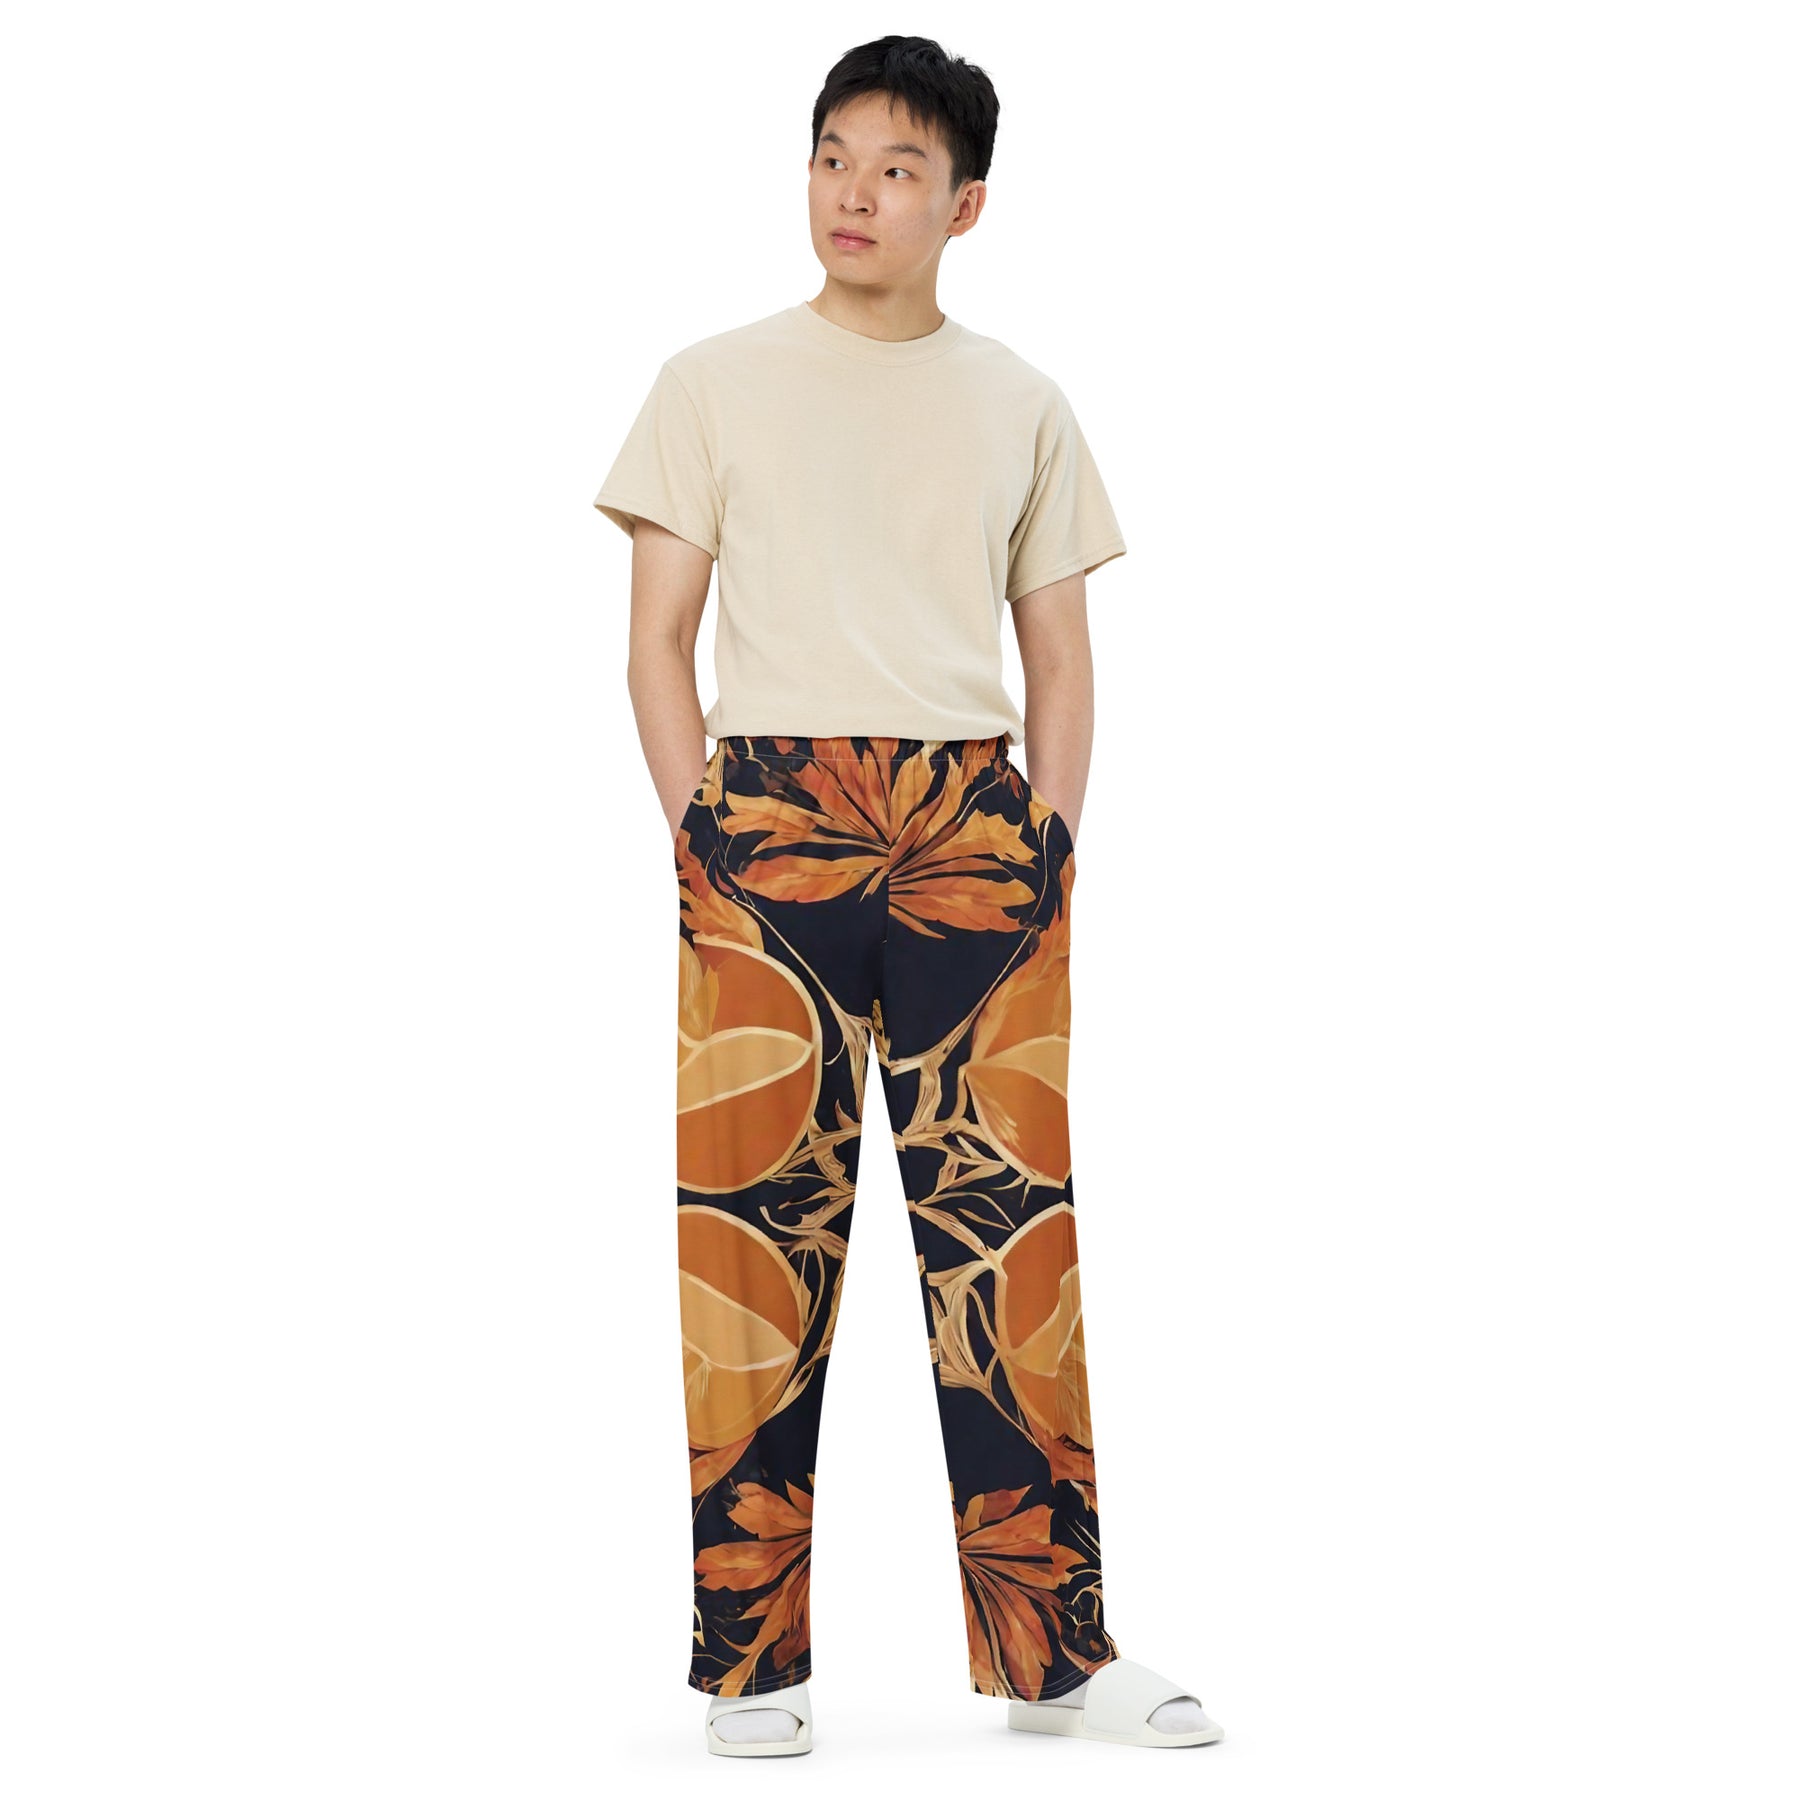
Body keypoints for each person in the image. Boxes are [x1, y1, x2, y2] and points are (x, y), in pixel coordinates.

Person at [591, 35, 1223, 1758]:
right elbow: (655, 642)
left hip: (973, 834)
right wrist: (704, 840)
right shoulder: (710, 382)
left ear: (967, 204)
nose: (854, 193)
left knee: (1011, 1250)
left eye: (896, 168)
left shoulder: (1020, 401)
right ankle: (749, 1666)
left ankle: (1057, 1657)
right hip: (766, 828)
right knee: (751, 1243)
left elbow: (1060, 655)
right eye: (832, 157)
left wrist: (1049, 849)